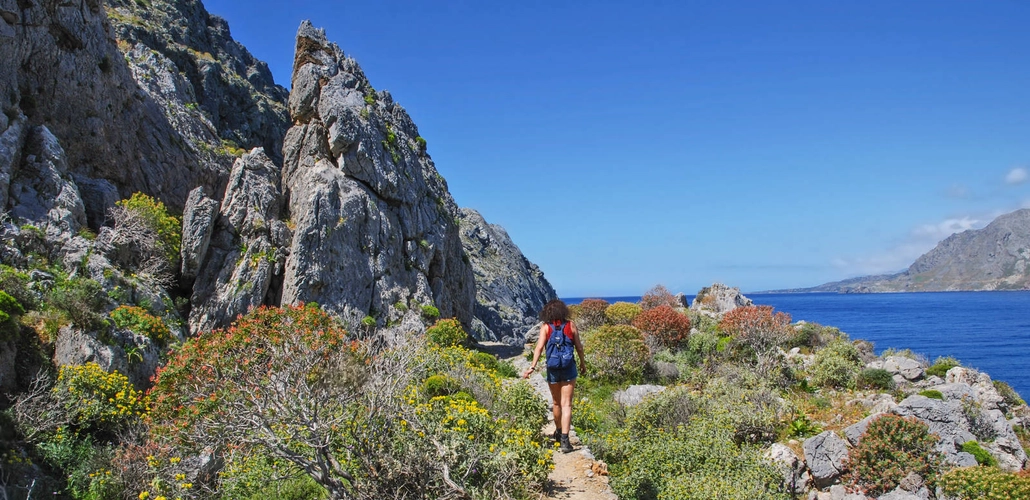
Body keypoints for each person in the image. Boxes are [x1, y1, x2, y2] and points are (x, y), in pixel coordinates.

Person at [522, 299, 586, 453]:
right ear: (563, 311)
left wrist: (532, 367)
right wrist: (583, 364)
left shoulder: (546, 327)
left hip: (552, 368)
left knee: (556, 403)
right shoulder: (570, 325)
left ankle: (558, 432)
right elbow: (579, 347)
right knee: (567, 404)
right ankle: (565, 440)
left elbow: (539, 348)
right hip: (569, 367)